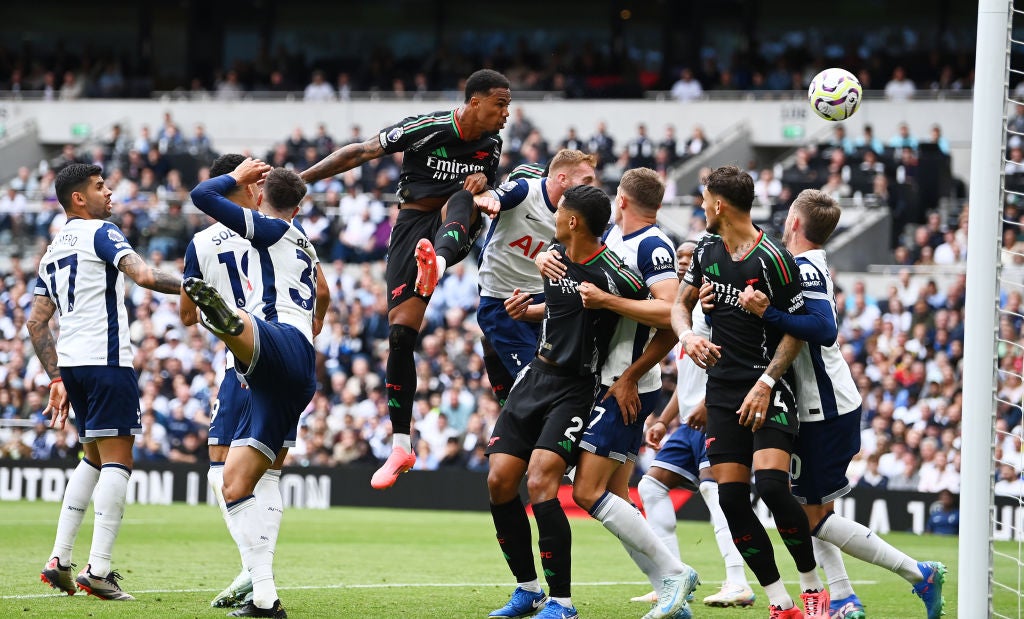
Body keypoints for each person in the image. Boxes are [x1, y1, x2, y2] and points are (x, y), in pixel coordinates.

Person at [734, 189, 946, 619]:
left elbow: (825, 328)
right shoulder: (801, 265)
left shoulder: (807, 268)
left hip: (826, 408)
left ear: (794, 222)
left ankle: (918, 573)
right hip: (815, 406)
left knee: (809, 518)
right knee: (811, 511)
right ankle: (845, 599)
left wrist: (767, 314)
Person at [299, 69, 510, 489]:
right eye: (500, 104)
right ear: (474, 102)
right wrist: (300, 182)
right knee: (399, 337)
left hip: (450, 230)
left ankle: (441, 267)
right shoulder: (424, 128)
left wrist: (486, 183)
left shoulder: (492, 144)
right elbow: (359, 153)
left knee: (464, 197)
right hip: (412, 227)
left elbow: (487, 191)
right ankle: (400, 445)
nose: (506, 114)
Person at [536, 168, 699, 619]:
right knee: (617, 495)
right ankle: (670, 592)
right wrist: (536, 298)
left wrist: (629, 375)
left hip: (625, 385)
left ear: (622, 200)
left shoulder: (652, 245)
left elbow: (670, 315)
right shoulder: (610, 238)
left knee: (587, 492)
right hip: (604, 379)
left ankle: (673, 573)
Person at [485, 185, 652, 619]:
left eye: (559, 211)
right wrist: (533, 310)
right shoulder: (552, 260)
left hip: (576, 387)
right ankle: (527, 590)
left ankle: (562, 602)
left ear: (573, 221)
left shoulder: (613, 274)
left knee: (541, 479)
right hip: (535, 377)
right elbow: (566, 308)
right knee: (500, 480)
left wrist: (631, 374)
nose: (554, 216)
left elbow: (666, 316)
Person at [670, 165, 828, 619]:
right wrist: (687, 337)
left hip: (767, 385)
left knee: (774, 488)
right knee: (732, 498)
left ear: (719, 204)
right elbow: (679, 305)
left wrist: (766, 383)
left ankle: (813, 587)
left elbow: (795, 333)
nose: (700, 206)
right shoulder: (705, 249)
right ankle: (781, 601)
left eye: (703, 198)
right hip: (721, 391)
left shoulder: (775, 259)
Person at [180, 154, 325, 609]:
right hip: (295, 369)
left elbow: (200, 195)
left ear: (260, 195)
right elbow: (322, 294)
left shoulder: (266, 228)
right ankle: (264, 594)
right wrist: (312, 327)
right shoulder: (304, 241)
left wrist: (235, 178)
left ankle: (226, 321)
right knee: (238, 483)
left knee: (242, 330)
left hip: (268, 345)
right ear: (299, 206)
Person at [31, 163, 182, 600]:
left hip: (75, 367)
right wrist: (198, 286)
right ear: (79, 198)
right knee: (118, 461)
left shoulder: (53, 249)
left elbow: (36, 323)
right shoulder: (102, 232)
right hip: (107, 361)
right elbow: (146, 276)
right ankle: (98, 569)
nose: (109, 193)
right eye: (100, 187)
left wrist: (56, 376)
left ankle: (59, 558)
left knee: (93, 458)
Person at [636, 239, 755, 609]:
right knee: (651, 487)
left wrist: (707, 404)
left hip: (717, 414)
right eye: (680, 258)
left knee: (714, 491)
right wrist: (662, 420)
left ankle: (738, 581)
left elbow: (734, 362)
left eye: (691, 257)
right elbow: (687, 381)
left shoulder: (713, 308)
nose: (685, 262)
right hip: (689, 423)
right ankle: (670, 577)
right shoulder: (684, 315)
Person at [476, 149, 597, 408]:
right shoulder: (524, 192)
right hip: (503, 300)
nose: (592, 188)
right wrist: (486, 199)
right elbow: (486, 197)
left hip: (544, 300)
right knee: (535, 384)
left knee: (557, 380)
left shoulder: (577, 216)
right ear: (562, 179)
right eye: (586, 181)